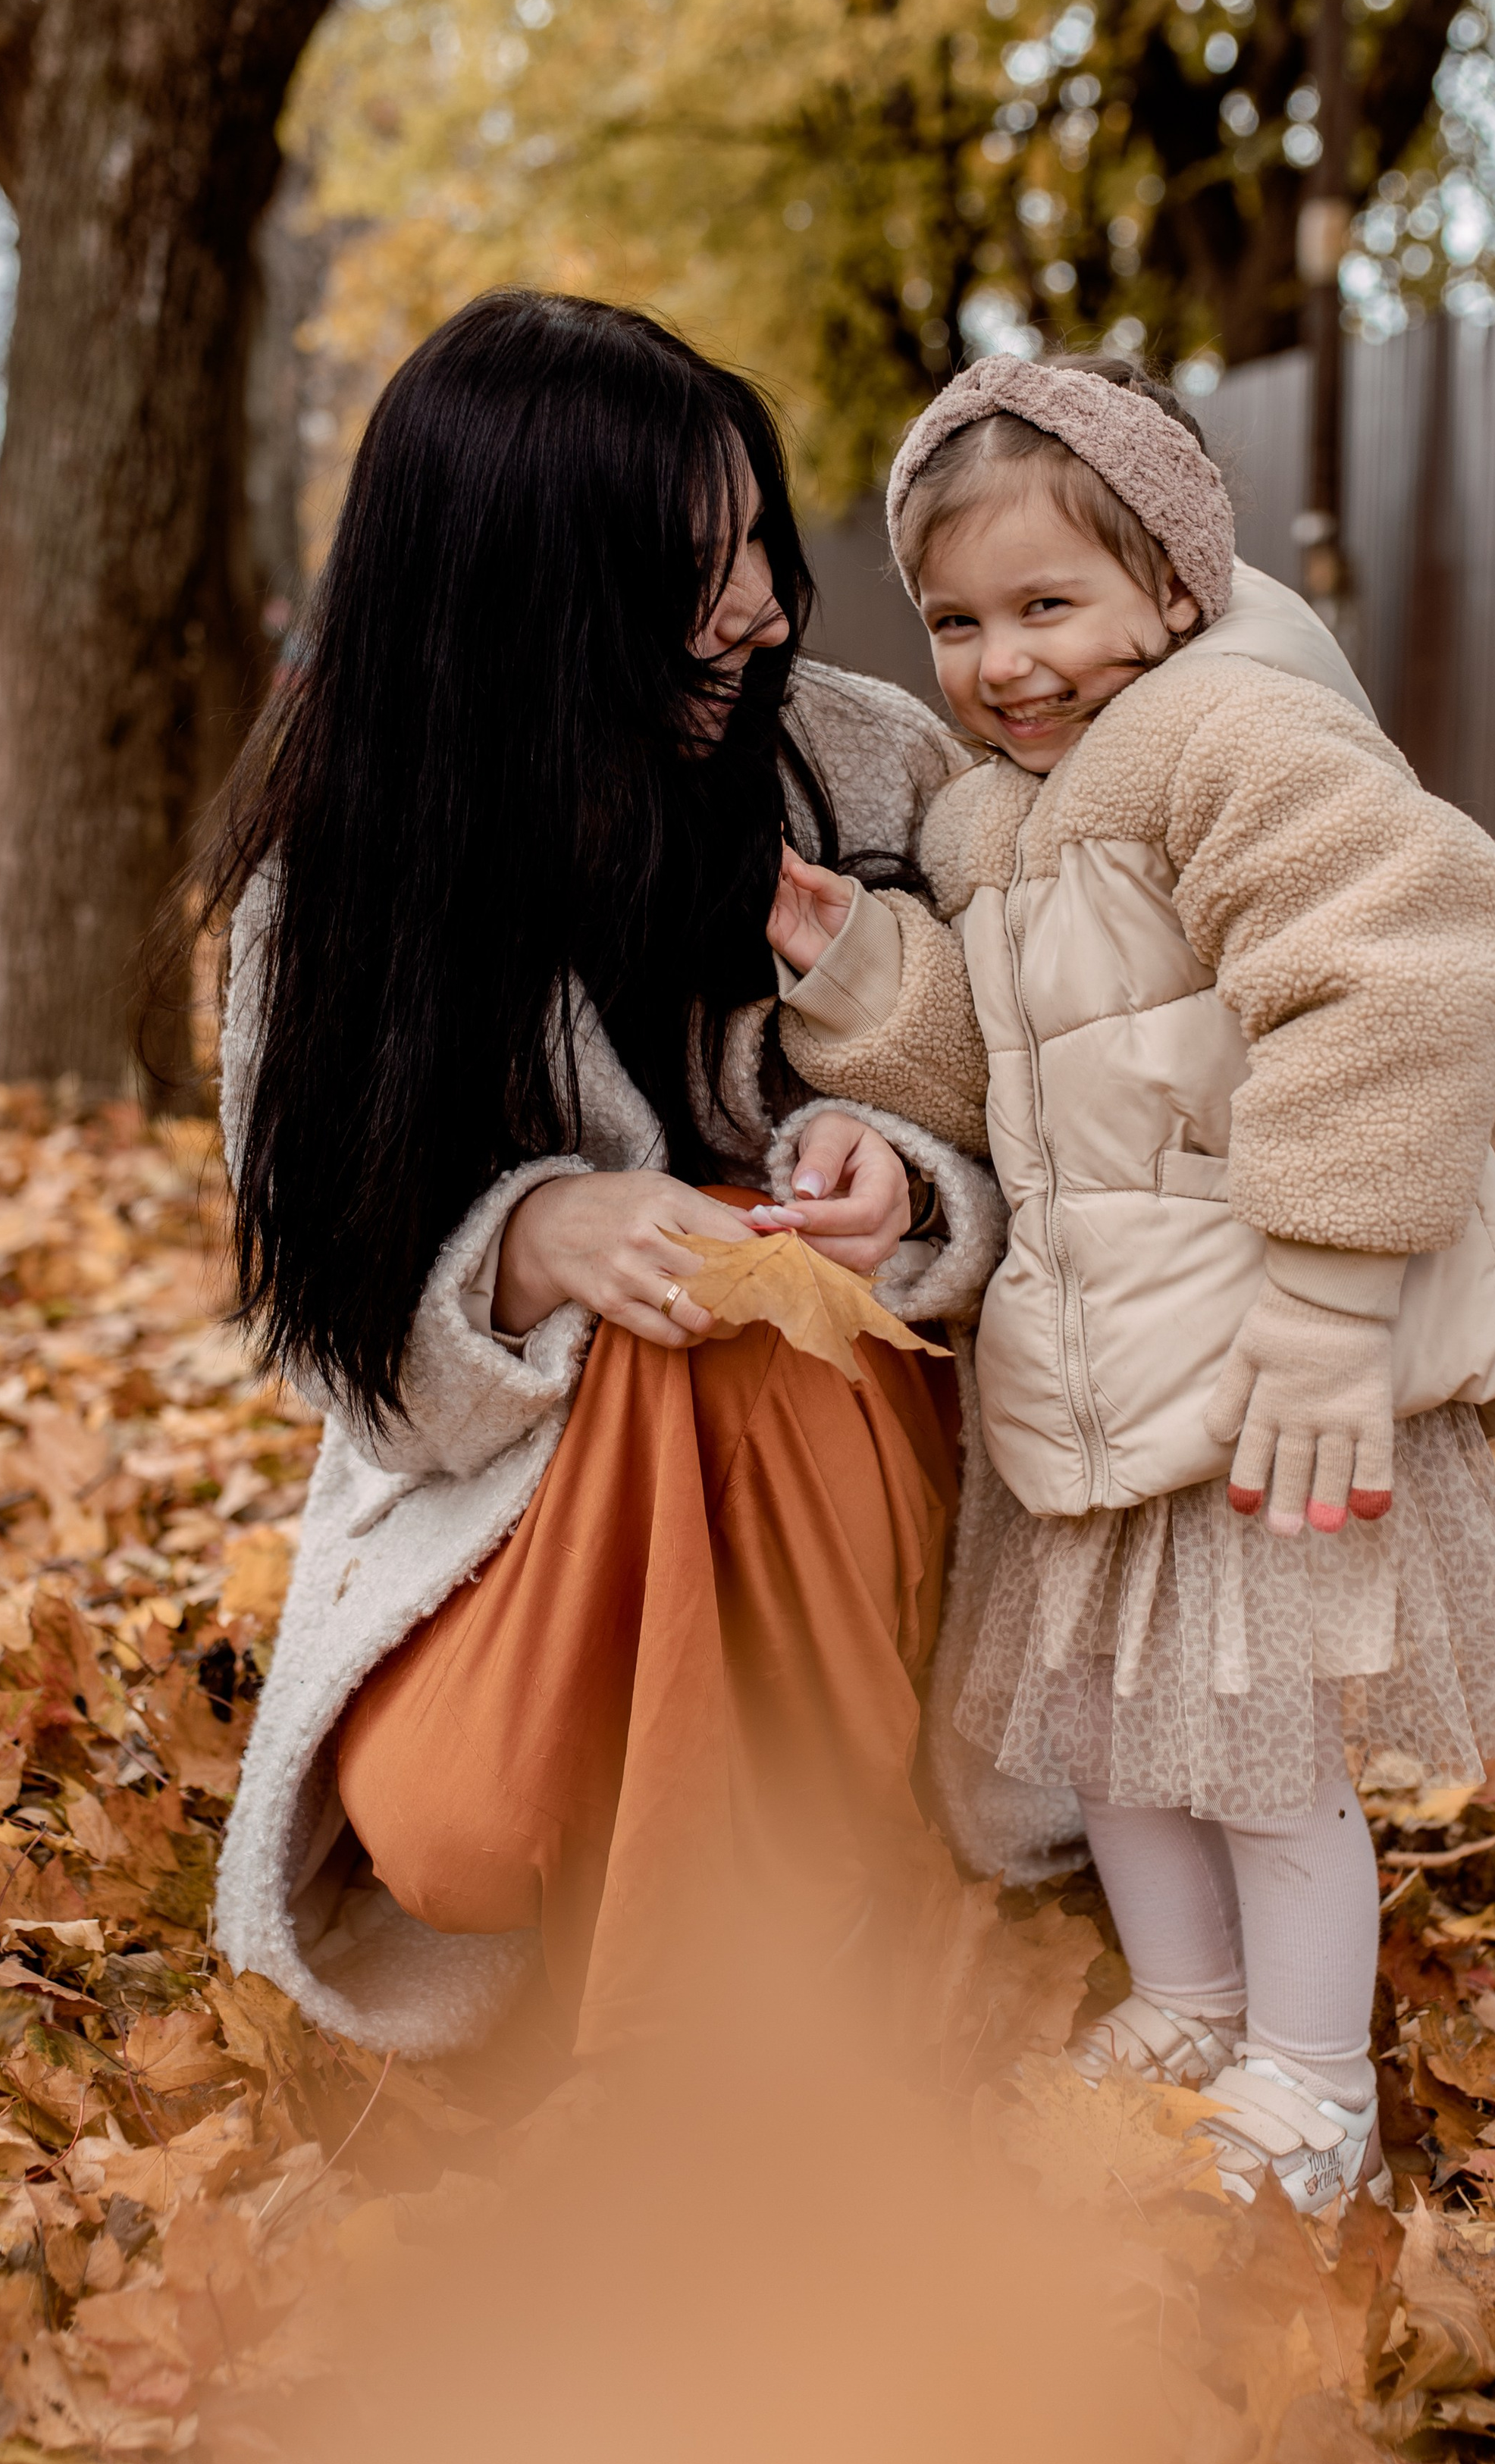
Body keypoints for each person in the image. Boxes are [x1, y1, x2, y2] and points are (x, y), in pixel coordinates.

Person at [765, 352, 1495, 2215]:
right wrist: (858, 971)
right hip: (1100, 1370)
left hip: (1265, 1361)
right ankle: (1190, 2001)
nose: (1002, 661)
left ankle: (1309, 2082)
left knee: (1266, 1755)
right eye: (959, 619)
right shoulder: (990, 824)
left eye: (1050, 603)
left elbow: (1396, 961)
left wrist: (1319, 1301)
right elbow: (1001, 1076)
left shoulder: (1234, 740)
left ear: (1174, 584)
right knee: (1116, 1735)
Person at [199, 290, 1032, 2065]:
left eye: (756, 537)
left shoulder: (867, 755)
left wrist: (893, 1169)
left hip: (857, 1443)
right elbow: (341, 1353)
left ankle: (704, 2070)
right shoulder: (336, 897)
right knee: (463, 1833)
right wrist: (531, 1241)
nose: (762, 603)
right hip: (518, 1493)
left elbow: (1059, 1094)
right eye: (696, 560)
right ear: (530, 599)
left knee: (729, 1290)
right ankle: (769, 1910)